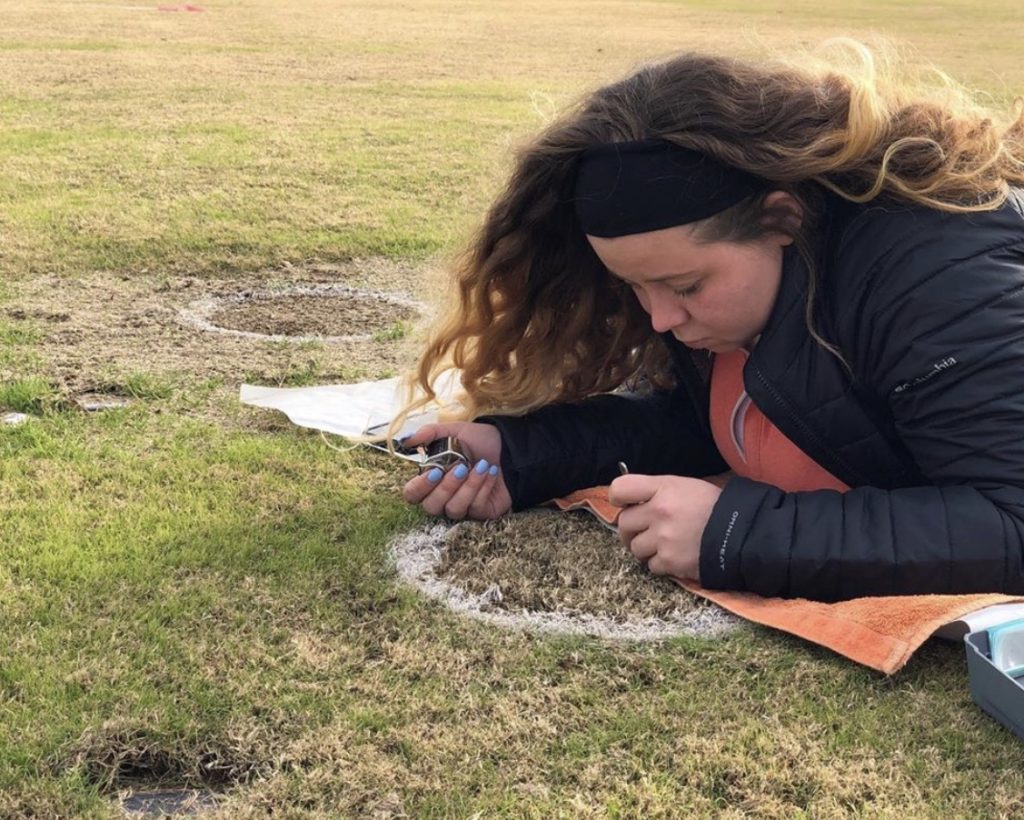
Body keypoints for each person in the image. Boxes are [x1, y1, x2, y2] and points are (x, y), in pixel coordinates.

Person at [395, 41, 1024, 601]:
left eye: (684, 286)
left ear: (782, 220)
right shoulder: (739, 297)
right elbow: (712, 424)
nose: (662, 319)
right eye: (633, 287)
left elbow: (1011, 522)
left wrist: (736, 535)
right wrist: (521, 453)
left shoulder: (937, 276)